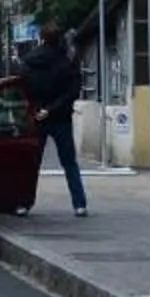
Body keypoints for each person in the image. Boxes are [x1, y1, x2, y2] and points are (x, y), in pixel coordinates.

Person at [17, 26, 88, 218]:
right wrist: (51, 109)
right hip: (60, 117)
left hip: (37, 116)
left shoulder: (29, 61)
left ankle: (24, 202)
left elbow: (21, 88)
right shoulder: (66, 62)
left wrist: (36, 109)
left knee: (33, 163)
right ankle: (79, 204)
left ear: (41, 38)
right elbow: (72, 91)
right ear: (59, 39)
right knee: (69, 162)